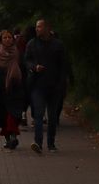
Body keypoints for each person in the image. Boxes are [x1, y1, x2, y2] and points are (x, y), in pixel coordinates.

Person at [24, 18, 68, 153]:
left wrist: (61, 83)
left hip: (54, 86)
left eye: (40, 27)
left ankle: (51, 143)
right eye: (36, 27)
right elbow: (26, 60)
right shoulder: (32, 43)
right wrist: (34, 67)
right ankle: (38, 142)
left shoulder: (58, 45)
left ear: (48, 28)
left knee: (53, 116)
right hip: (38, 85)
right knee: (38, 114)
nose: (37, 29)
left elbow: (63, 65)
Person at [0, 29, 25, 150]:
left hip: (15, 89)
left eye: (9, 37)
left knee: (14, 114)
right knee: (3, 116)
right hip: (0, 90)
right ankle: (8, 139)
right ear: (1, 40)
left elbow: (24, 70)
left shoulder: (17, 54)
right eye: (5, 38)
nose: (8, 40)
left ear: (13, 39)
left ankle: (13, 137)